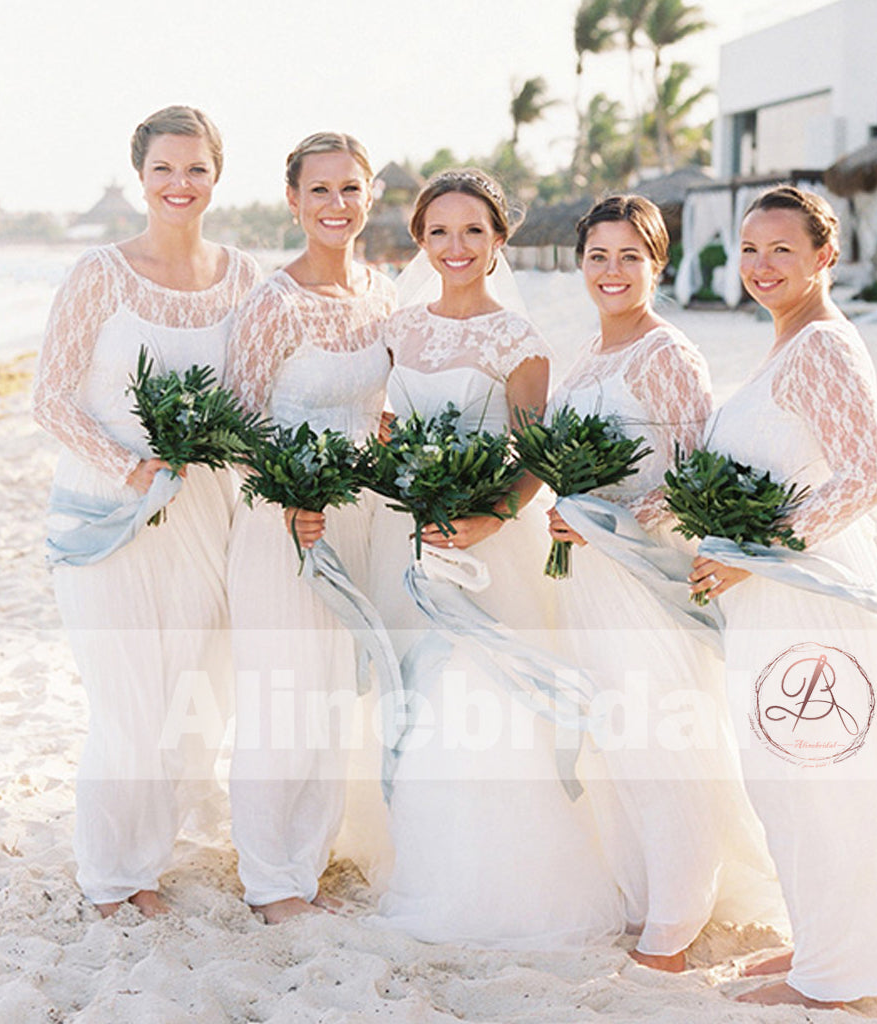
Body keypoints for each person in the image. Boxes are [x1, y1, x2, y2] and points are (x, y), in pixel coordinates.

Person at [690, 184, 877, 1005]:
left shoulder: (825, 346)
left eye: (782, 249)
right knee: (791, 775)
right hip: (774, 594)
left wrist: (759, 554)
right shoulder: (789, 346)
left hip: (810, 592)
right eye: (750, 248)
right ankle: (825, 936)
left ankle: (841, 970)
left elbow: (865, 479)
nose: (761, 265)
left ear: (826, 257)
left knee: (819, 769)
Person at [369, 169, 623, 948]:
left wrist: (486, 516)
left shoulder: (519, 340)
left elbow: (536, 456)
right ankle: (434, 867)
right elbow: (385, 427)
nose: (456, 247)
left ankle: (513, 882)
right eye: (439, 231)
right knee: (423, 695)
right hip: (413, 534)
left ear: (498, 241)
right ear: (419, 239)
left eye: (473, 231)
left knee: (489, 698)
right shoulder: (400, 328)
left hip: (488, 541)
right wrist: (403, 481)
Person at [33, 105, 261, 916]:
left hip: (204, 512)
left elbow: (256, 393)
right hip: (107, 512)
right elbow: (51, 398)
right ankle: (109, 875)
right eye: (164, 168)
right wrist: (128, 467)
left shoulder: (243, 276)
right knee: (125, 698)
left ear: (216, 176)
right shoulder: (99, 274)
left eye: (195, 168)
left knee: (183, 694)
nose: (180, 184)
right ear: (140, 177)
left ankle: (145, 861)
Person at [546, 195, 780, 971]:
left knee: (662, 740)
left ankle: (675, 928)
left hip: (641, 578)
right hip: (585, 580)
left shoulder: (668, 354)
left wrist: (601, 520)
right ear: (579, 264)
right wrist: (567, 514)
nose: (612, 272)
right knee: (617, 743)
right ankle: (647, 897)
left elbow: (689, 483)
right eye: (598, 257)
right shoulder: (588, 356)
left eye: (630, 258)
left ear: (658, 264)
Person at [223, 132, 395, 924]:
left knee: (335, 698)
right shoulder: (271, 302)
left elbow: (383, 411)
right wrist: (287, 496)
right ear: (293, 201)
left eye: (350, 189)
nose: (336, 205)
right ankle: (268, 880)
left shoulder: (386, 293)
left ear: (372, 197)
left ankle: (308, 863)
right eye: (319, 190)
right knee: (281, 696)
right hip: (283, 521)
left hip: (359, 521)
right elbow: (237, 425)